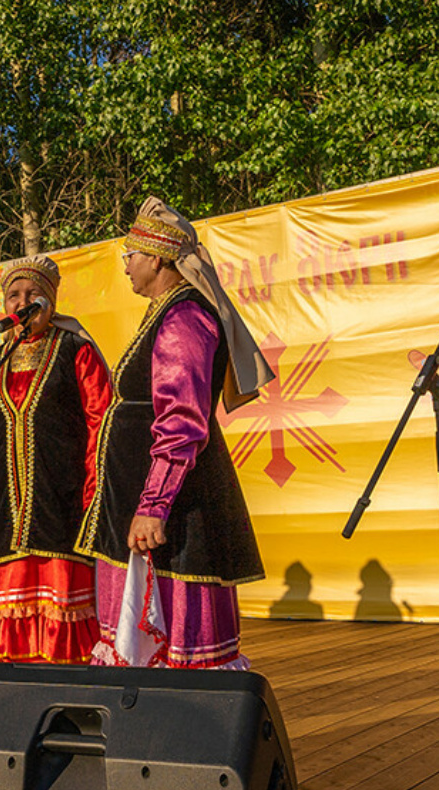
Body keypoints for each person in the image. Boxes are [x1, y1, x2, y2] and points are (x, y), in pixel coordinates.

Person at [76, 198, 274, 669]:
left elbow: (181, 422)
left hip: (177, 510)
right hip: (147, 500)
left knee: (182, 648)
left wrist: (152, 507)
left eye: (130, 254)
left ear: (157, 257)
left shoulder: (184, 319)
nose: (125, 265)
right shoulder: (165, 313)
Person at [0, 255, 111, 662]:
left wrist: (95, 494)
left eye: (33, 294)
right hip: (5, 511)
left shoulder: (76, 351)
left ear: (51, 302)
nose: (22, 303)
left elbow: (102, 424)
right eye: (14, 296)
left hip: (62, 503)